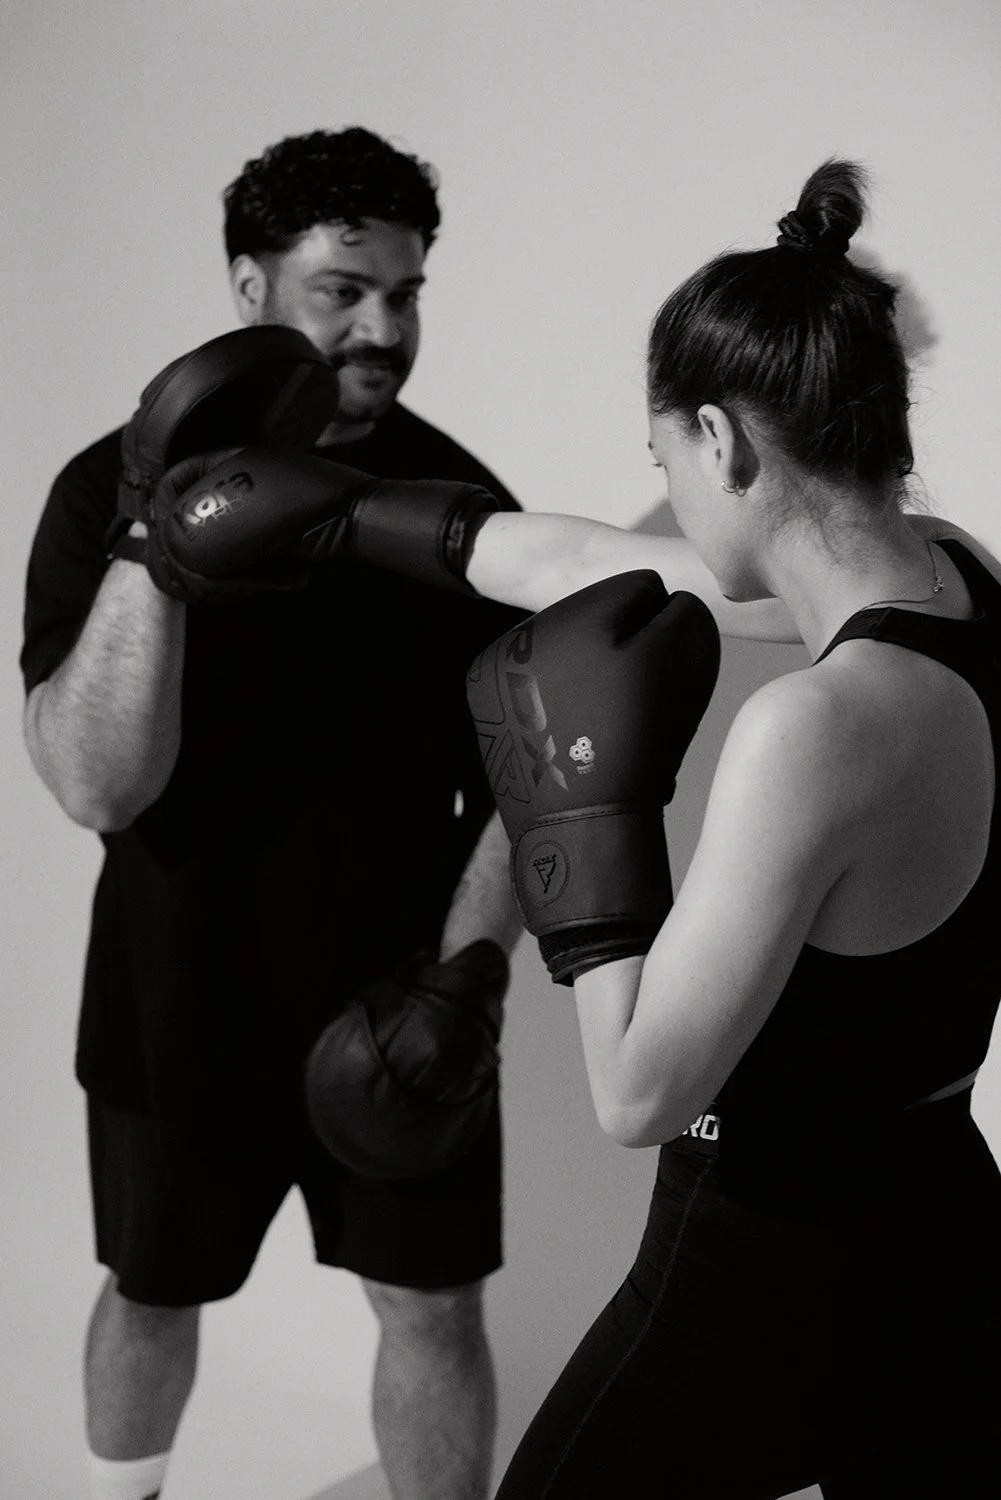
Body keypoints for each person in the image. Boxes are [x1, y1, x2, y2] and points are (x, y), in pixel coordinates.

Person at [455, 160, 1001, 1495]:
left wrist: (578, 815)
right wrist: (369, 524)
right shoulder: (972, 586)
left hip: (764, 1255)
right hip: (943, 1227)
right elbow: (603, 563)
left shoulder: (812, 730)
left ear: (725, 441)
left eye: (667, 462)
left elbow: (640, 1093)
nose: (670, 495)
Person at [20, 127, 525, 1500]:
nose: (382, 327)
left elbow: (526, 774)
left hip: (399, 999)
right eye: (342, 288)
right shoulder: (96, 494)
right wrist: (154, 545)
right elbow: (91, 785)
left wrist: (464, 980)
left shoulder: (460, 510)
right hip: (174, 992)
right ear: (248, 285)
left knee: (433, 1310)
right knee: (152, 1290)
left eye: (407, 293)